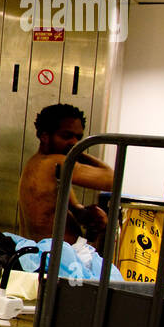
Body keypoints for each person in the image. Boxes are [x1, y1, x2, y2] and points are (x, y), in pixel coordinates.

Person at [18, 103, 114, 244]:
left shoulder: (41, 164)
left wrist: (87, 214)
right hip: (54, 259)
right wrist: (78, 153)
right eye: (66, 136)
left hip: (55, 257)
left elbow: (74, 208)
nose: (74, 142)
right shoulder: (52, 162)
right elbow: (111, 180)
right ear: (45, 136)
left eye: (78, 138)